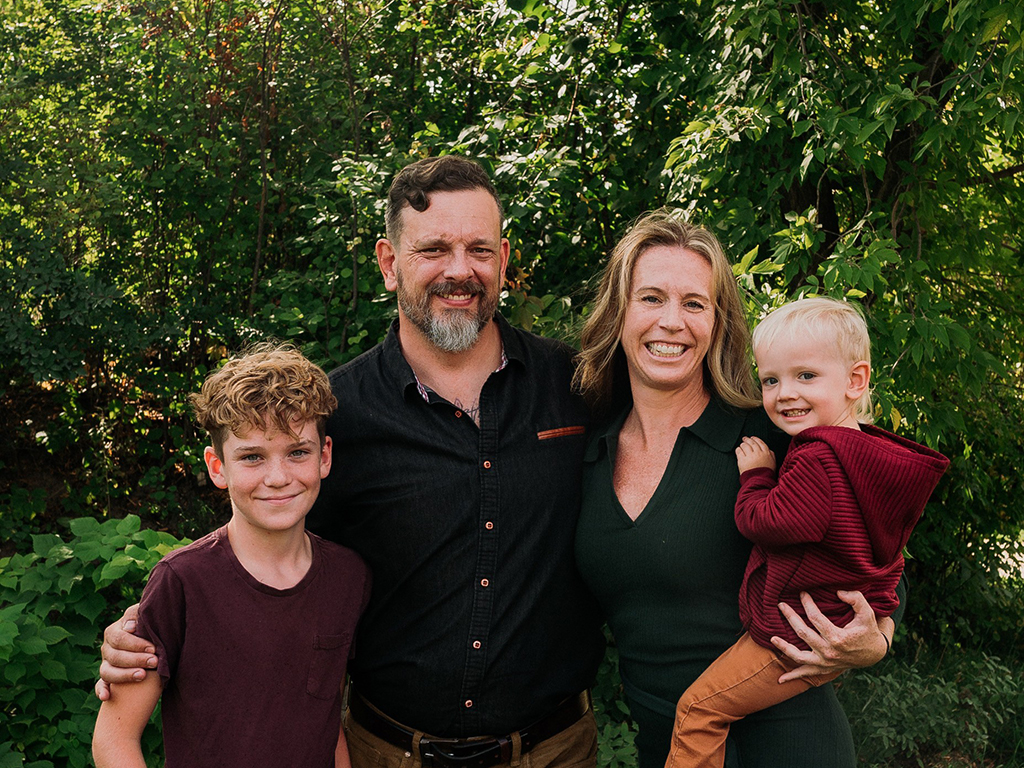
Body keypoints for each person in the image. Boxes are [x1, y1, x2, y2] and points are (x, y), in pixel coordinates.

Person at [96, 155, 606, 768]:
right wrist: (154, 623)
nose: (459, 271)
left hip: (555, 751)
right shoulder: (339, 414)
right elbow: (267, 539)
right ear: (389, 264)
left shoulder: (576, 387)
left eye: (479, 250)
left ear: (502, 259)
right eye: (433, 250)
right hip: (388, 753)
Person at [573, 212, 906, 768]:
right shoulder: (586, 447)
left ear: (718, 321)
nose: (672, 321)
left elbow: (878, 550)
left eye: (695, 304)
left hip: (790, 745)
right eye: (651, 298)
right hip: (670, 750)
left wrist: (876, 640)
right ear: (619, 311)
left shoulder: (772, 436)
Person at [663, 298, 949, 768]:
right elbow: (888, 553)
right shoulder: (869, 457)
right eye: (771, 380)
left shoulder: (817, 457)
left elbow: (771, 523)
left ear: (856, 380)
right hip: (832, 626)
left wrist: (757, 476)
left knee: (698, 711)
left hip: (795, 634)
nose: (784, 393)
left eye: (806, 376)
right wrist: (876, 619)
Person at [92, 343, 371, 768]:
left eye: (297, 452)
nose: (278, 478)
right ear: (217, 466)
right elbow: (114, 741)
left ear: (324, 456)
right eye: (252, 457)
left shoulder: (349, 577)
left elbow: (325, 719)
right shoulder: (182, 582)